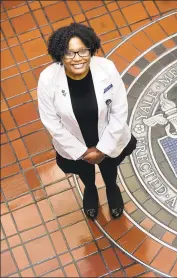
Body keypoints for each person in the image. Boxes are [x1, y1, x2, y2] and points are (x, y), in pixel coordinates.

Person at [37, 23, 136, 220]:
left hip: (107, 137)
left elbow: (119, 110)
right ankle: (90, 190)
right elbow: (51, 121)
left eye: (83, 51)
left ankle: (111, 189)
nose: (77, 59)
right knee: (85, 171)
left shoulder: (106, 68)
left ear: (91, 49)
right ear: (59, 55)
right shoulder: (48, 79)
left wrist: (102, 149)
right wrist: (83, 152)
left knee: (110, 167)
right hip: (75, 144)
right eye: (69, 53)